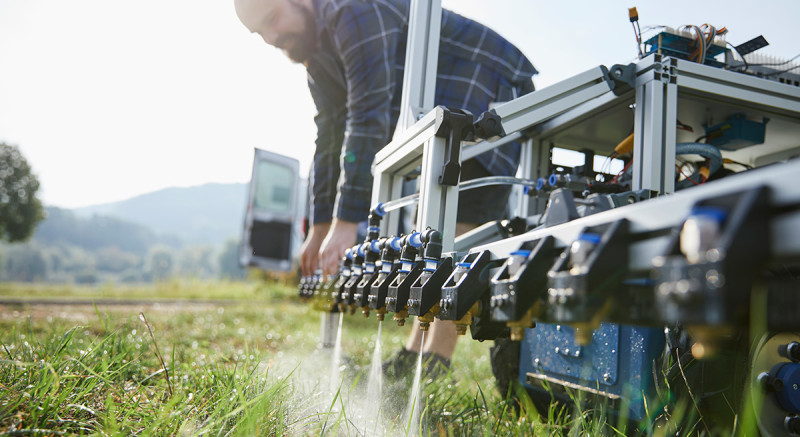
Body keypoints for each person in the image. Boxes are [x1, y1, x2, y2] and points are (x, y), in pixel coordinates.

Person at [234, 0, 536, 374]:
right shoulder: (317, 55)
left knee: (461, 217)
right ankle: (414, 356)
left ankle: (434, 363)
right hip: (439, 103)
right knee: (434, 226)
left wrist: (347, 223)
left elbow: (367, 115)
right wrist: (321, 226)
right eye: (259, 32)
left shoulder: (352, 10)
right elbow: (329, 139)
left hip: (487, 80)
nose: (271, 37)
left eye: (273, 19)